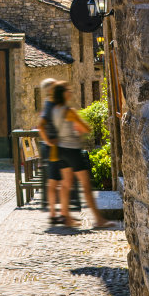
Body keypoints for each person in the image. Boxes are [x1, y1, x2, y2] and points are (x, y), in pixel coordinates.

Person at [51, 81, 106, 229]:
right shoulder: (69, 111)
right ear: (63, 94)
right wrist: (79, 130)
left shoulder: (55, 110)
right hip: (73, 150)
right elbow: (86, 128)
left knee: (66, 185)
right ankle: (99, 220)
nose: (71, 92)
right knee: (86, 186)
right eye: (68, 90)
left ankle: (66, 217)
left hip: (61, 150)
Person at [35, 78, 62, 225]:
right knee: (54, 181)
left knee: (60, 181)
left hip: (58, 146)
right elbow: (40, 125)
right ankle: (53, 212)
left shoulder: (53, 103)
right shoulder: (50, 104)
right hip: (53, 148)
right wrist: (48, 141)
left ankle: (58, 212)